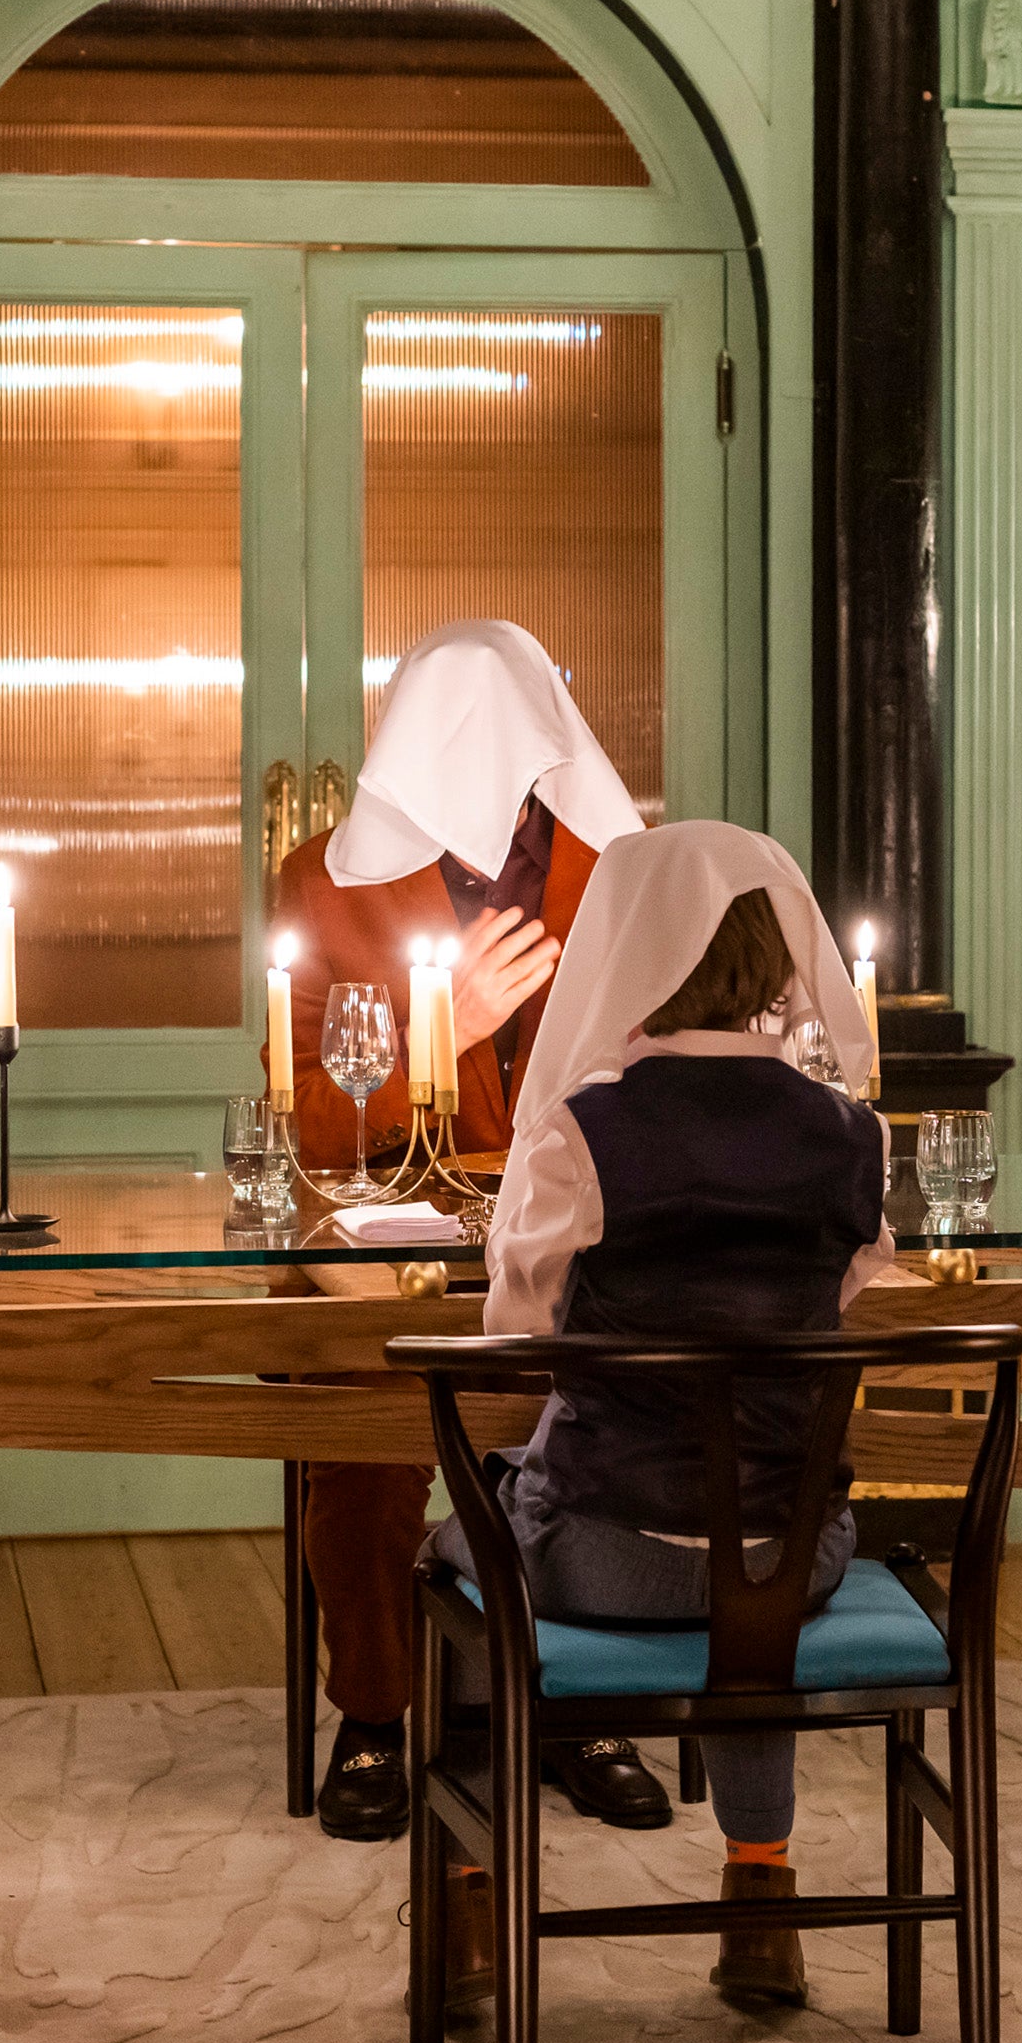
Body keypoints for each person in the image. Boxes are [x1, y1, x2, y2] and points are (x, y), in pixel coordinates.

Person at [430, 820, 893, 2008]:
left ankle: (475, 1892)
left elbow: (514, 1335)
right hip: (796, 1563)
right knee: (753, 1556)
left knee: (464, 1536)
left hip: (610, 1554)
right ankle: (758, 1889)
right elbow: (843, 1307)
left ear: (623, 951)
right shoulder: (850, 1135)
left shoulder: (586, 1131)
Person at [269, 619, 657, 1842]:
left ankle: (581, 1698)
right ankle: (375, 1714)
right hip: (388, 1228)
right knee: (366, 1438)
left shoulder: (624, 863)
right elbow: (309, 1123)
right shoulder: (321, 878)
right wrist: (451, 1023)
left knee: (607, 1413)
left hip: (584, 1226)